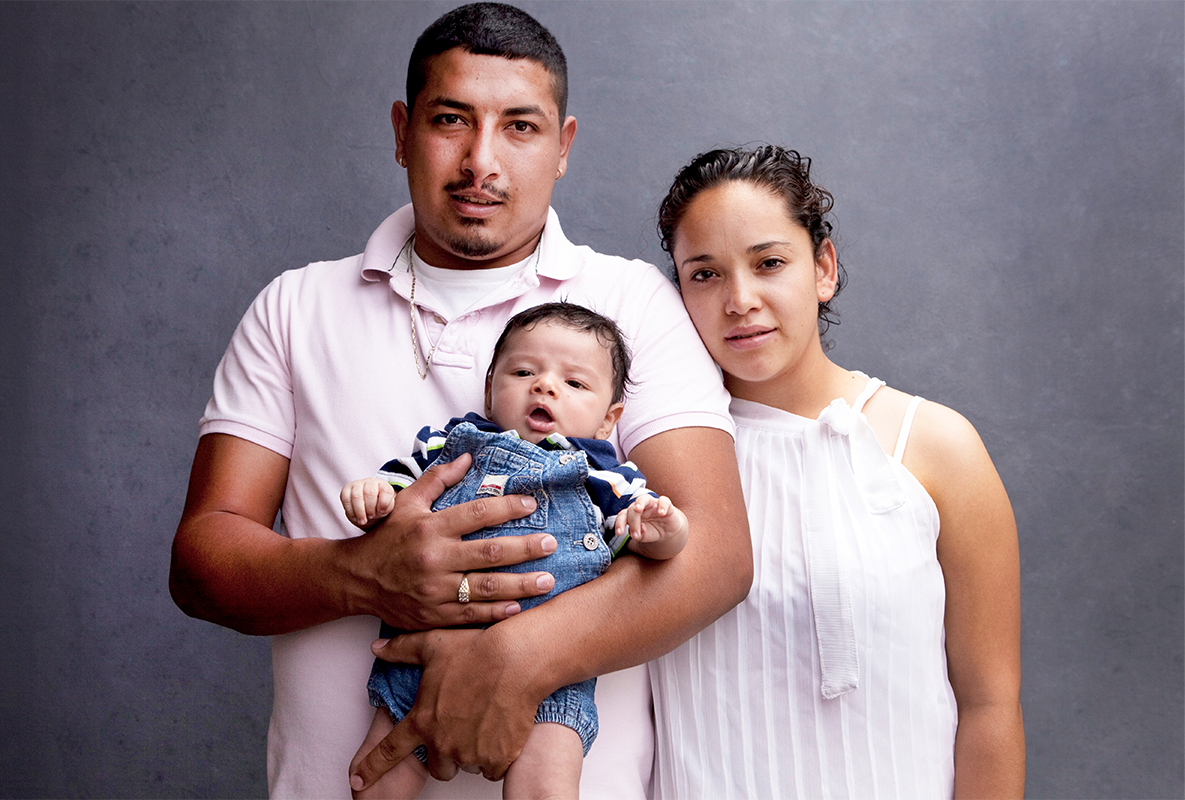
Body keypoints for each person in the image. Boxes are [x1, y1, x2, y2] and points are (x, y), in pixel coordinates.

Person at [168, 4, 751, 799]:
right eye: (451, 120)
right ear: (404, 130)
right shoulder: (295, 307)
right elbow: (203, 560)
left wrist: (509, 660)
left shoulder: (633, 303)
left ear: (563, 146)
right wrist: (364, 575)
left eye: (520, 127)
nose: (483, 160)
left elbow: (715, 557)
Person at [649, 146, 1025, 799]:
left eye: (769, 263)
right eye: (704, 274)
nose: (740, 300)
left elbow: (991, 708)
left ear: (822, 268)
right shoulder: (652, 465)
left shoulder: (935, 448)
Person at [342, 302, 688, 800]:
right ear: (489, 389)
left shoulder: (602, 474)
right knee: (376, 777)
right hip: (423, 649)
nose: (544, 386)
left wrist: (664, 529)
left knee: (546, 784)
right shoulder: (450, 444)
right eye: (524, 371)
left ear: (608, 419)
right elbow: (397, 495)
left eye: (574, 384)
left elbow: (652, 541)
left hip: (551, 666)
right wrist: (373, 496)